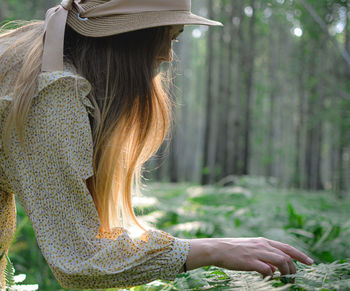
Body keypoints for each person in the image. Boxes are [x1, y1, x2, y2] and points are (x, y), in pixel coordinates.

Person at [0, 0, 313, 289]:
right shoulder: (51, 100)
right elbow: (81, 260)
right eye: (170, 36)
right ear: (130, 36)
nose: (168, 55)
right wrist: (213, 248)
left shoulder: (28, 58)